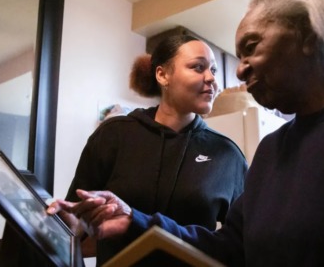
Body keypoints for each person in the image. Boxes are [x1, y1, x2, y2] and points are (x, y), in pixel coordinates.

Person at [48, 0, 324, 265]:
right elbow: (231, 246)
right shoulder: (271, 151)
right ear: (163, 75)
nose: (239, 72)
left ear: (307, 35)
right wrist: (134, 220)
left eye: (250, 49)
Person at [60, 34, 247, 265]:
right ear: (162, 75)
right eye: (198, 67)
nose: (210, 78)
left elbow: (240, 245)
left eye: (214, 70)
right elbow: (74, 222)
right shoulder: (113, 135)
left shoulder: (227, 155)